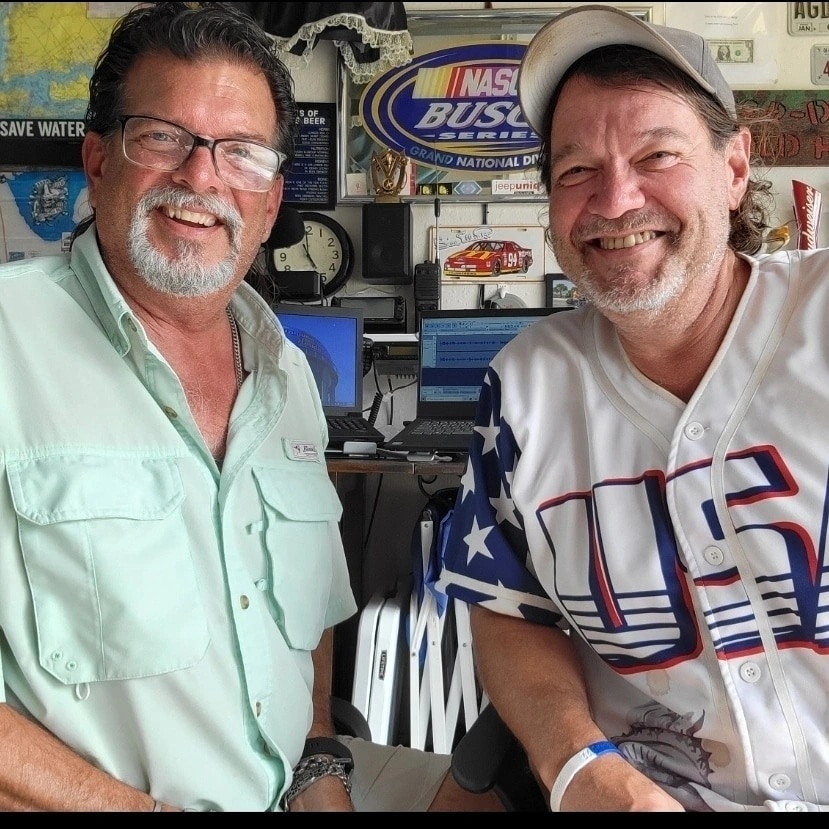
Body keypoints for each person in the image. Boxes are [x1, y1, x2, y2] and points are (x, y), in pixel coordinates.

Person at [0, 2, 502, 813]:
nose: (201, 178)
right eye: (163, 136)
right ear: (97, 160)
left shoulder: (288, 376)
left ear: (269, 206)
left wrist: (318, 773)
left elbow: (306, 630)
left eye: (240, 154)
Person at [438, 3, 828, 813]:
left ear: (731, 167)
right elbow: (511, 613)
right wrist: (575, 764)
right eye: (576, 169)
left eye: (656, 154)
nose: (615, 201)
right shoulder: (525, 385)